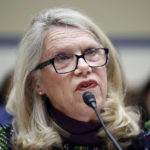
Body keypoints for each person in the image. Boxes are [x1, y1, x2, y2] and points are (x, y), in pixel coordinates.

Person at [0, 8, 150, 150]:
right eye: (62, 57)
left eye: (91, 51)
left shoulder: (140, 139)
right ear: (37, 83)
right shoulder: (8, 143)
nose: (84, 67)